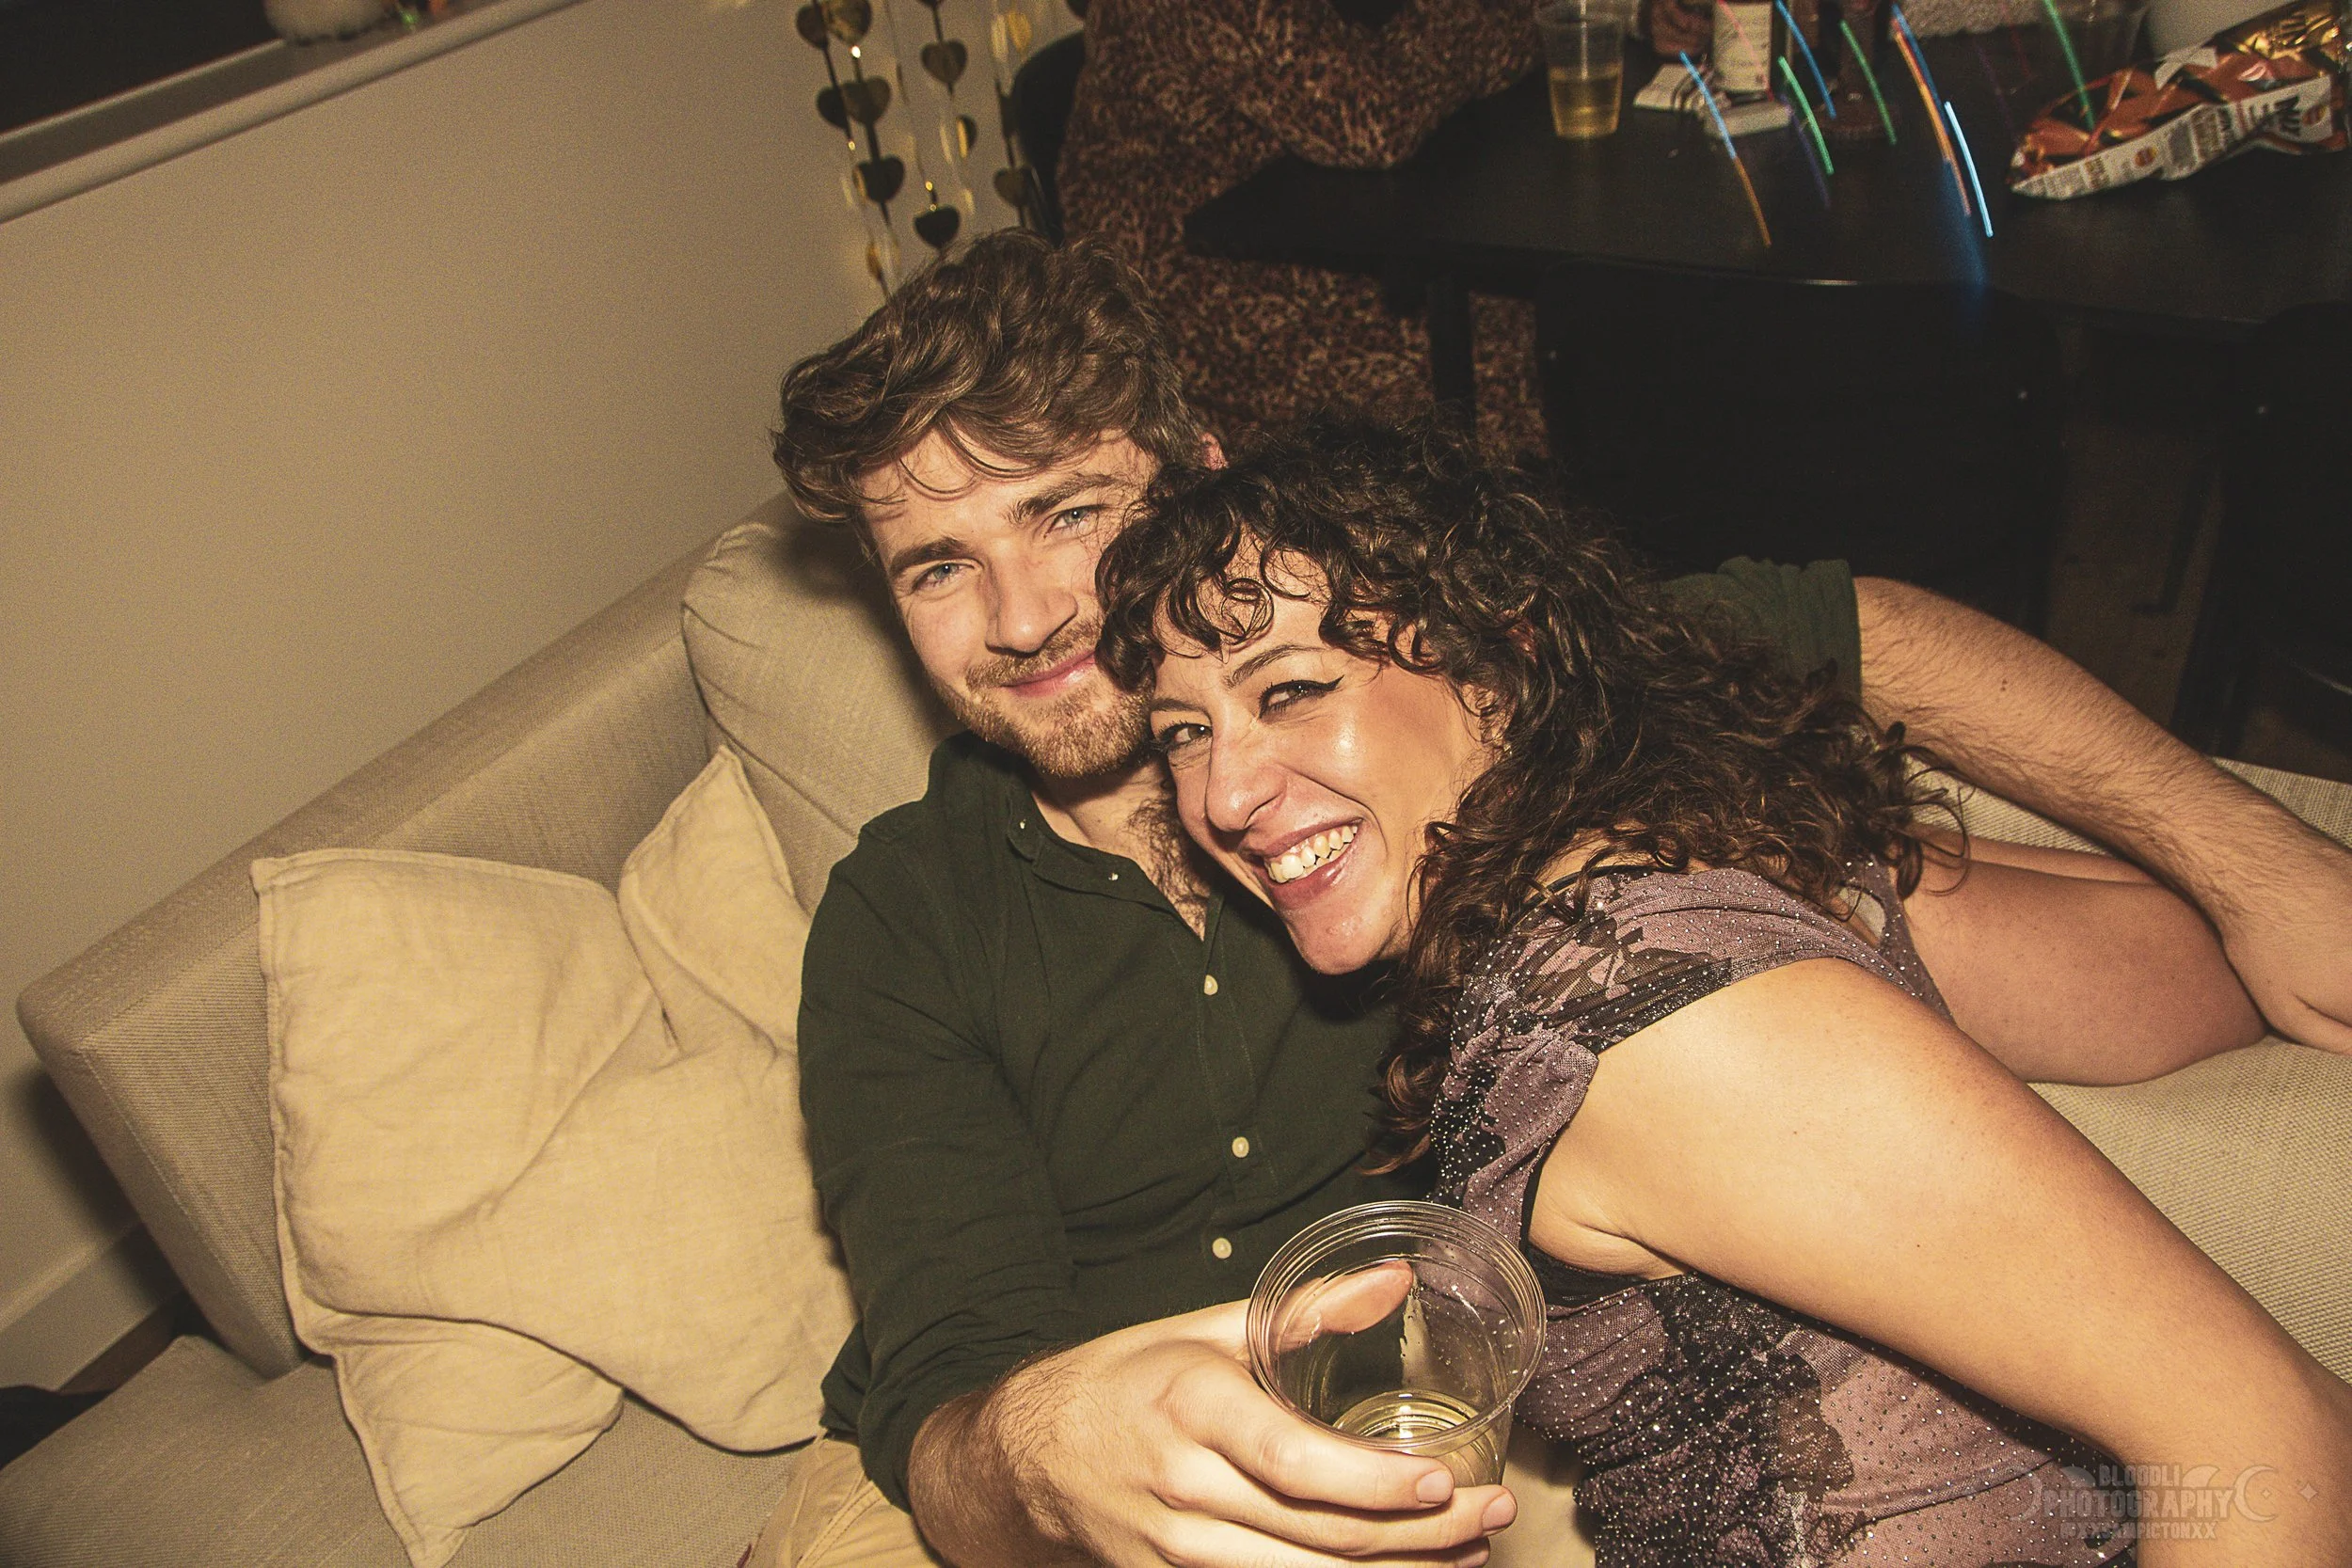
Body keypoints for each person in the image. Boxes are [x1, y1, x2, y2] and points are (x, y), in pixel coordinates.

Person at [757, 230, 2352, 1568]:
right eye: (937, 564)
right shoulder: (906, 923)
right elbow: (946, 1403)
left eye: (1064, 511)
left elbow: (1851, 631)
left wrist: (2252, 856)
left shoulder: (1454, 740)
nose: (1026, 614)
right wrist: (1052, 1449)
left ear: (1199, 485)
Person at [1094, 417, 2352, 1567]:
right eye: (1185, 730)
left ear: (1503, 665)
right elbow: (2180, 969)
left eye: (1292, 689)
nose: (1225, 797)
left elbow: (2266, 1435)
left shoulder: (1640, 1020)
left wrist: (2257, 866)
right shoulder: (1685, 869)